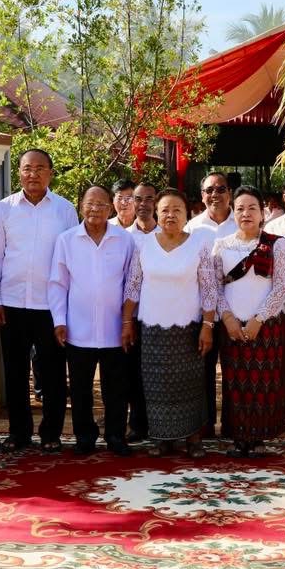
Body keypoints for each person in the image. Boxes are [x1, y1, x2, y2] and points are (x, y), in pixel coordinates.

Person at [0, 148, 80, 452]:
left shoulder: (65, 210)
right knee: (15, 373)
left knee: (53, 374)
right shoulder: (4, 209)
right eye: (27, 168)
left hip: (51, 305)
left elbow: (71, 259)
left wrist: (67, 306)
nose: (33, 174)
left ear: (50, 173)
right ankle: (19, 433)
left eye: (40, 168)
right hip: (12, 303)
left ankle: (51, 433)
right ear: (19, 172)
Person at [122, 189, 219, 458]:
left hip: (188, 329)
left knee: (191, 384)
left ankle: (193, 439)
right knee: (156, 387)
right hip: (152, 329)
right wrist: (127, 321)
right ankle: (162, 438)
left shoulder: (199, 244)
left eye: (177, 210)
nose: (170, 215)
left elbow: (209, 289)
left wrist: (207, 326)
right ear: (156, 212)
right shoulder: (143, 244)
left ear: (187, 214)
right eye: (165, 210)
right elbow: (133, 286)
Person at [49, 184, 136, 456]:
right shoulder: (66, 240)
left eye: (101, 204)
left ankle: (115, 436)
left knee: (116, 388)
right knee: (80, 388)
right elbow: (58, 283)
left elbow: (131, 284)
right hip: (78, 328)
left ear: (110, 208)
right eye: (90, 203)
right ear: (80, 207)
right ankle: (85, 436)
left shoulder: (125, 240)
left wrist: (128, 322)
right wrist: (59, 320)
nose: (95, 209)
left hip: (114, 329)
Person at [213, 186, 285, 457]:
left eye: (252, 208)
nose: (245, 214)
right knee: (235, 382)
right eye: (240, 209)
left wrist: (259, 319)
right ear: (232, 212)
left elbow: (281, 287)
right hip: (231, 326)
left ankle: (260, 437)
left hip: (266, 326)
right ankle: (239, 437)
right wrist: (228, 319)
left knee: (265, 382)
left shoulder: (276, 244)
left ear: (263, 213)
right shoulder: (221, 245)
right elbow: (215, 288)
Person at [187, 172, 236, 436]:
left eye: (221, 189)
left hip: (235, 314)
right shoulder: (191, 228)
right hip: (201, 314)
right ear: (202, 195)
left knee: (234, 372)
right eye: (209, 190)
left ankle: (232, 426)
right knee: (202, 373)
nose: (215, 194)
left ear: (230, 193)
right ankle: (204, 427)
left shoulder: (242, 224)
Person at [122, 181, 159, 444]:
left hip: (159, 315)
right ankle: (137, 424)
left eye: (148, 199)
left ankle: (160, 425)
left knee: (157, 372)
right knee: (133, 373)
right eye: (138, 199)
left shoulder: (167, 235)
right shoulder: (122, 237)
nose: (143, 204)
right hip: (131, 316)